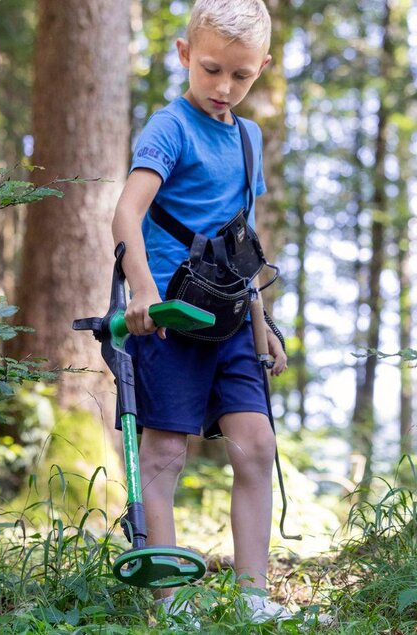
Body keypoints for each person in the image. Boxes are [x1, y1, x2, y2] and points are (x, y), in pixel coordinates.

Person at [110, 0, 292, 625]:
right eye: (212, 69)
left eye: (241, 76)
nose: (224, 88)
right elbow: (126, 214)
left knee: (256, 446)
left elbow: (243, 238)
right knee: (163, 454)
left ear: (262, 68)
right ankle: (171, 602)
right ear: (186, 55)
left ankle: (253, 600)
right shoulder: (169, 128)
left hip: (234, 316)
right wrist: (140, 292)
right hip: (170, 316)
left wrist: (262, 324)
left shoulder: (249, 137)